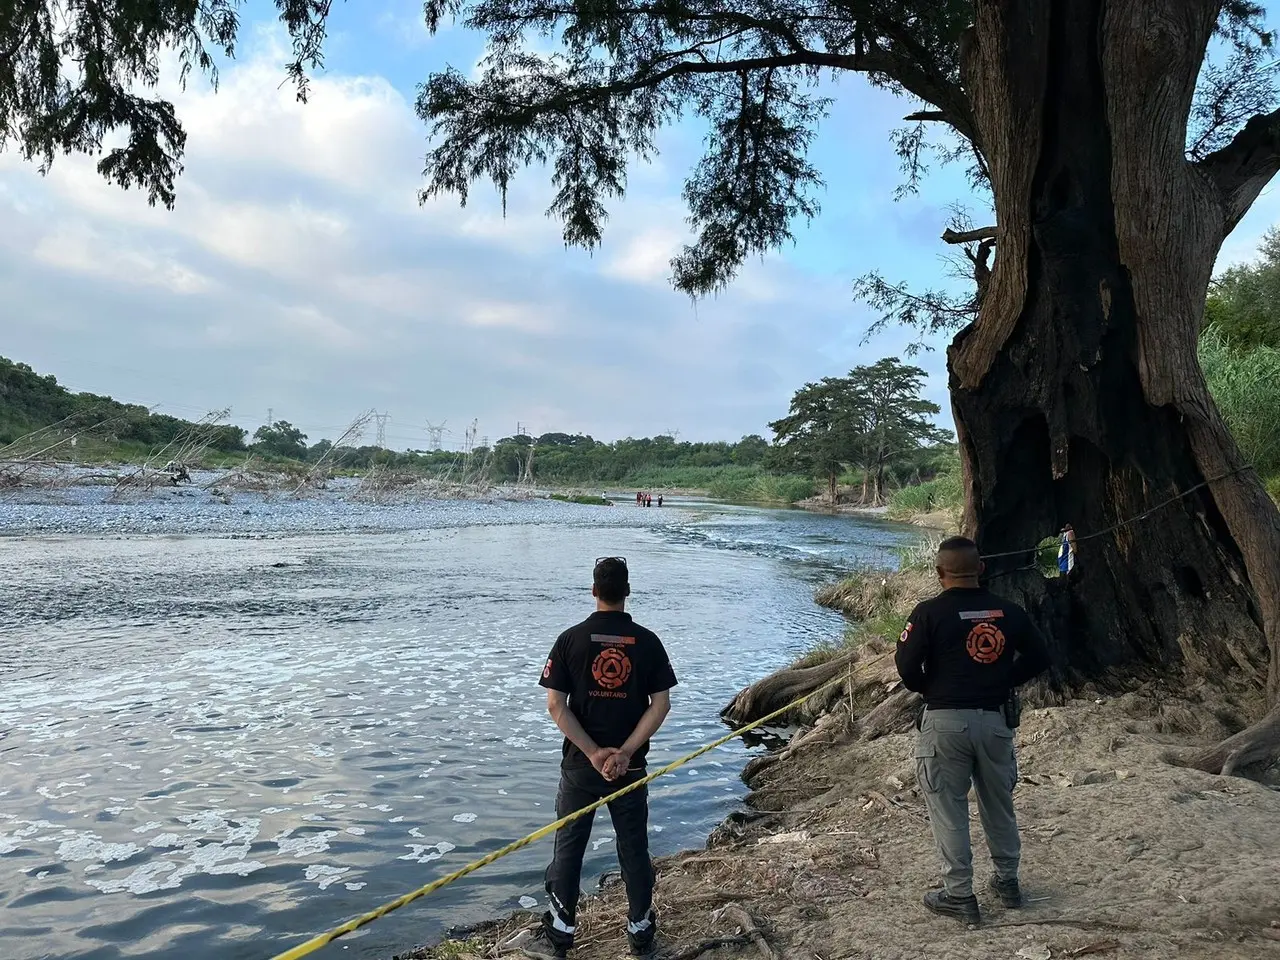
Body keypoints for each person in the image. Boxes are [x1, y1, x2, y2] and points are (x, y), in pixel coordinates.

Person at [524, 557, 678, 958]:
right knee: (633, 849)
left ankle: (560, 936)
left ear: (593, 591)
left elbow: (556, 706)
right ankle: (641, 934)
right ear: (627, 592)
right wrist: (625, 753)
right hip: (631, 769)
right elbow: (660, 705)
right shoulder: (648, 642)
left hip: (581, 766)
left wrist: (594, 753)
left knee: (568, 850)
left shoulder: (570, 639)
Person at [894, 536, 1051, 926]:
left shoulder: (928, 613)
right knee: (999, 803)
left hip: (945, 723)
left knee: (949, 808)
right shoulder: (1009, 611)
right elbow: (1041, 655)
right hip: (995, 720)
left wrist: (930, 688)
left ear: (939, 573)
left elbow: (907, 667)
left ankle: (960, 895)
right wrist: (1003, 680)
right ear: (981, 569)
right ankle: (1007, 882)